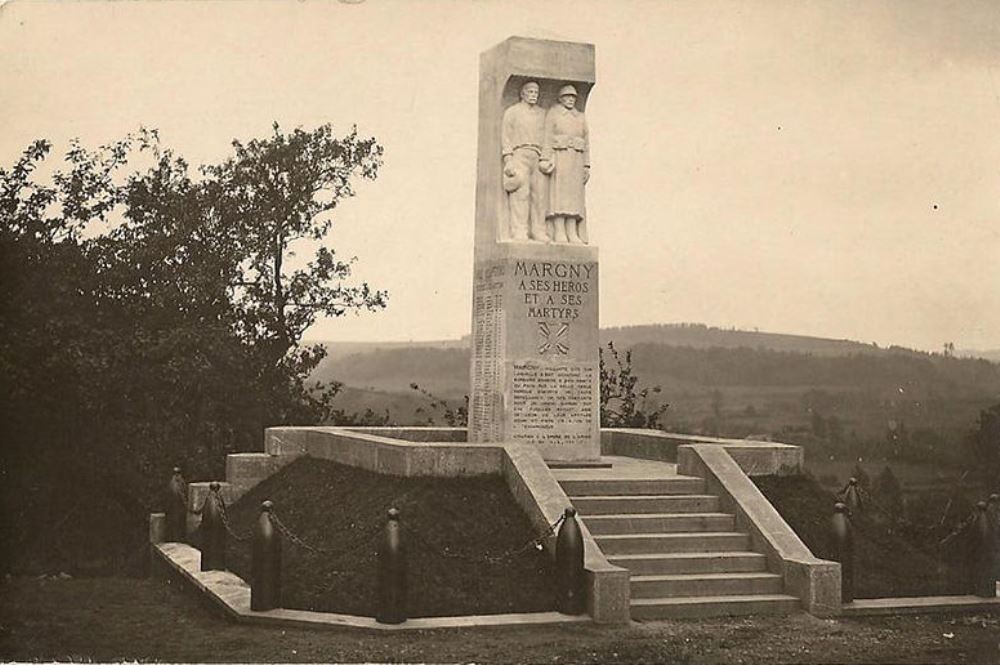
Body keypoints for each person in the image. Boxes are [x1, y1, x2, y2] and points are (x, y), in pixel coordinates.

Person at [539, 84, 590, 244]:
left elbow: (587, 142)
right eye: (567, 97)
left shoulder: (580, 117)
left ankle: (572, 230)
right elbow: (547, 137)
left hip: (576, 158)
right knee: (559, 195)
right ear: (561, 99)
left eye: (573, 97)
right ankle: (559, 230)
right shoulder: (553, 114)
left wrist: (586, 165)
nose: (570, 100)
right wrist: (545, 158)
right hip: (560, 157)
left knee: (574, 196)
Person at [501, 81, 548, 242]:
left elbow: (548, 137)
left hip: (538, 155)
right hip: (519, 153)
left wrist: (547, 157)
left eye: (536, 92)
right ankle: (519, 230)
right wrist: (508, 159)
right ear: (522, 93)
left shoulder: (542, 114)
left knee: (539, 195)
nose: (534, 95)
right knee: (521, 193)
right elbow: (506, 137)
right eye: (530, 92)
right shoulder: (512, 112)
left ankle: (539, 230)